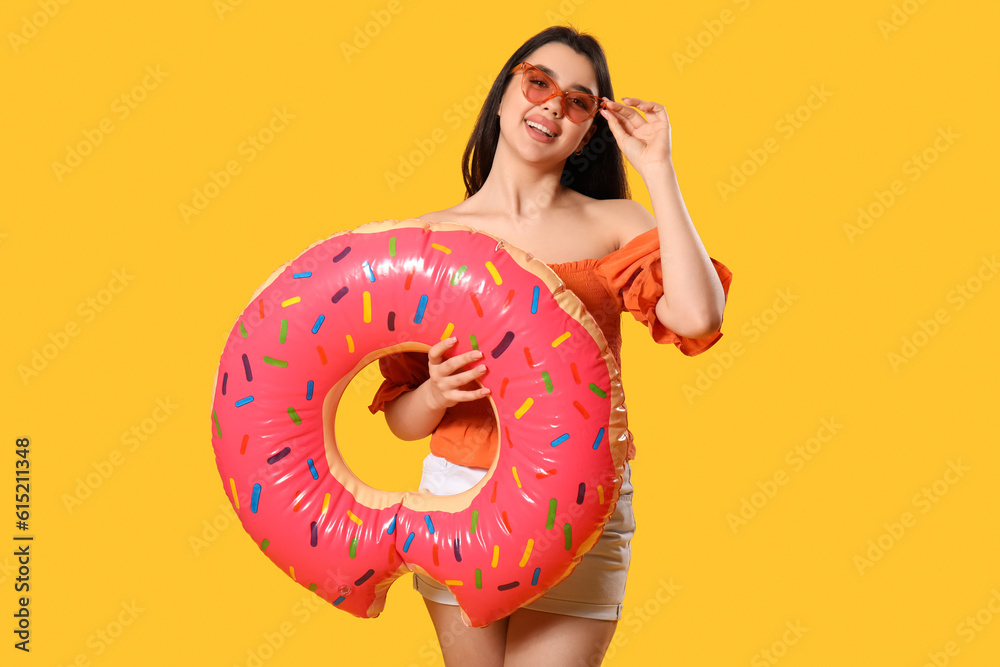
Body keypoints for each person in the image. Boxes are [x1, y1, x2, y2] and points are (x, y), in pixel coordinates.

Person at [368, 24, 732, 666]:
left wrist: (659, 171)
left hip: (581, 502)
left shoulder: (614, 223)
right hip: (459, 495)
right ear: (505, 94)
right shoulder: (427, 240)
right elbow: (401, 416)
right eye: (539, 83)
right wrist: (435, 392)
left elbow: (699, 317)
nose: (553, 106)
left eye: (579, 101)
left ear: (591, 128)